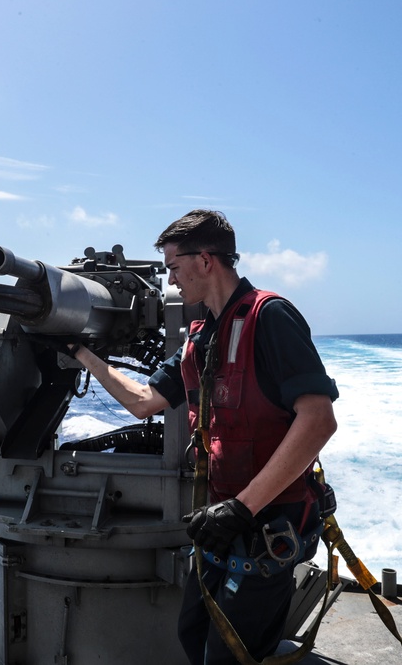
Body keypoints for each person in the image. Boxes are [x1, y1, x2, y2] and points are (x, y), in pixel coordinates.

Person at [70, 210, 338, 664]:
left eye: (174, 267)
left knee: (230, 656)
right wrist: (80, 353)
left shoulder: (269, 317)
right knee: (193, 634)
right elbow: (144, 400)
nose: (172, 281)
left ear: (207, 260)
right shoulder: (200, 339)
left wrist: (240, 508)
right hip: (223, 524)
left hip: (266, 524)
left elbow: (317, 420)